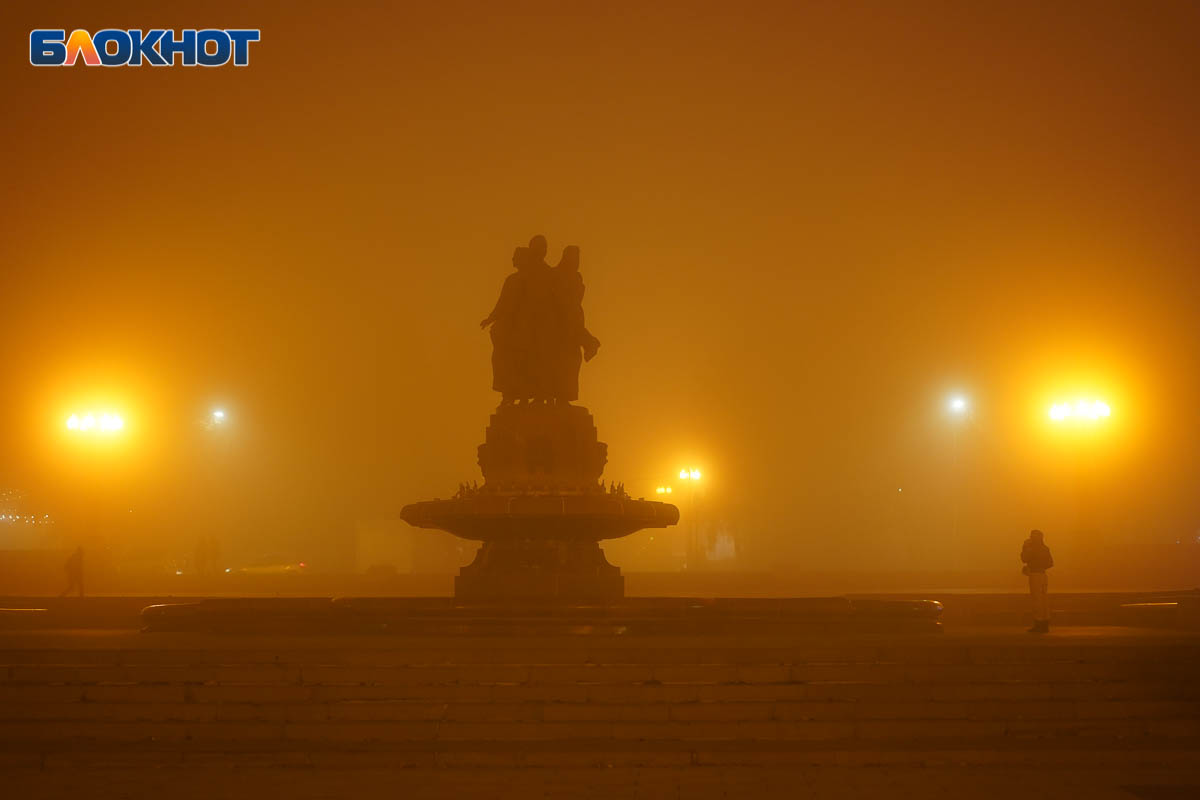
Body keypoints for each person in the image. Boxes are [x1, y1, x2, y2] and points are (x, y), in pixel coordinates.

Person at [1020, 529, 1054, 633]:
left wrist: (1025, 547)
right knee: (1044, 599)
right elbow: (1050, 563)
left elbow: (1024, 558)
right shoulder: (1045, 548)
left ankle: (1038, 623)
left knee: (1037, 600)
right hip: (1043, 575)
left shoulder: (1031, 548)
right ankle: (1045, 624)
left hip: (1035, 575)